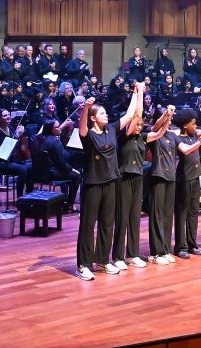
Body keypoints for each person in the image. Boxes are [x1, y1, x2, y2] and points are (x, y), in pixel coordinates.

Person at [74, 94, 139, 280]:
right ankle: (83, 264)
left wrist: (135, 93)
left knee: (107, 223)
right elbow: (83, 128)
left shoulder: (110, 129)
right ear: (94, 118)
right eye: (102, 113)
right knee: (88, 225)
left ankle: (102, 260)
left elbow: (129, 115)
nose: (106, 115)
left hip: (111, 181)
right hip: (93, 183)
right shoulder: (88, 135)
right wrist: (86, 108)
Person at [173, 107, 201, 259]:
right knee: (182, 213)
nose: (196, 126)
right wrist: (200, 142)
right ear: (184, 125)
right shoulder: (178, 138)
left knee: (194, 212)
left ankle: (192, 244)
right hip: (184, 179)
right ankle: (180, 246)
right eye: (193, 124)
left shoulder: (193, 134)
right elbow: (187, 150)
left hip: (195, 177)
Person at [146, 105, 177, 265]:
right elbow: (157, 127)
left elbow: (184, 149)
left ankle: (165, 249)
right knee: (157, 214)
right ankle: (155, 252)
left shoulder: (172, 135)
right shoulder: (154, 134)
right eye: (165, 118)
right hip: (158, 175)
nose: (169, 120)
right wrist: (166, 115)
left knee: (167, 214)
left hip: (171, 176)